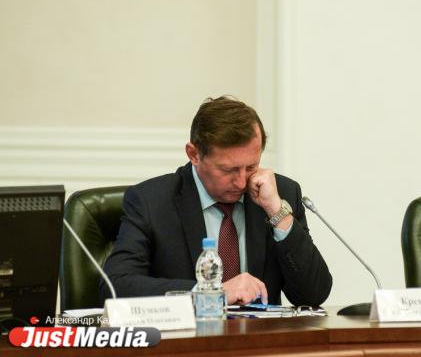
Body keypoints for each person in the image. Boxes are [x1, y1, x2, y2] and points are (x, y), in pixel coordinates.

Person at [100, 96, 332, 307]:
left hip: (260, 338)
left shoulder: (280, 194)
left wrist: (277, 212)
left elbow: (313, 295)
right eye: (228, 170)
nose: (241, 182)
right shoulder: (151, 202)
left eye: (251, 167)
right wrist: (209, 294)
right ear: (194, 154)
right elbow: (114, 286)